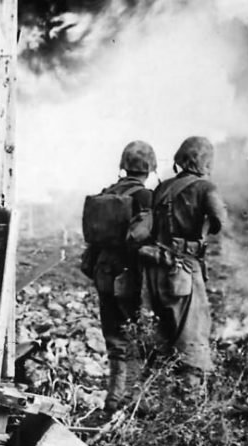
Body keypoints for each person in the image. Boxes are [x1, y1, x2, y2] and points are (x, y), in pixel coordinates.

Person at [141, 136, 228, 388]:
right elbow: (220, 220)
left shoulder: (162, 187)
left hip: (155, 267)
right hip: (183, 269)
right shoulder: (205, 188)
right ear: (206, 162)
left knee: (165, 331)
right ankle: (190, 400)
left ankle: (159, 394)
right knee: (192, 332)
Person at [81, 140, 156, 415]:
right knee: (135, 337)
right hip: (128, 274)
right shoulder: (146, 197)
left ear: (124, 165)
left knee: (114, 339)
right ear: (150, 167)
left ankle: (113, 399)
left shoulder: (107, 192)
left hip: (102, 271)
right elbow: (143, 235)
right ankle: (132, 402)